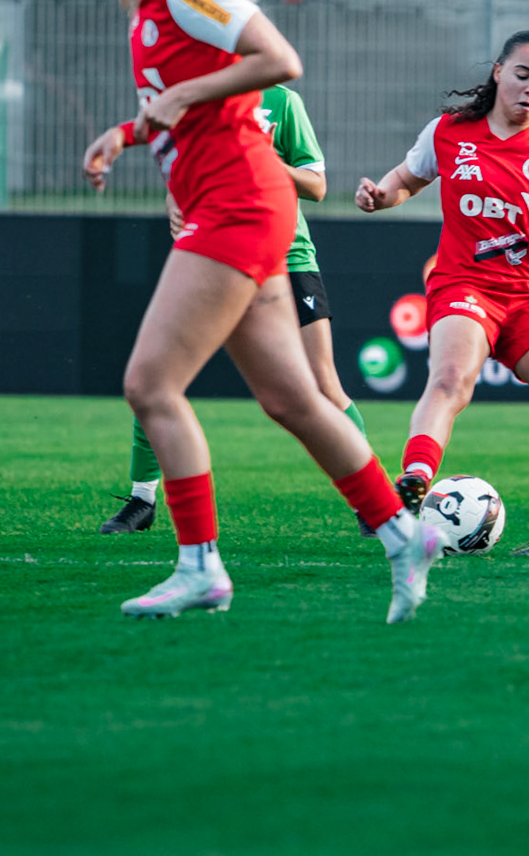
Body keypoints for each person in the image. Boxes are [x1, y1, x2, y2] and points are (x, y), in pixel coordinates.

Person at [78, 0, 441, 622]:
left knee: (150, 386)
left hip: (238, 204)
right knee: (293, 399)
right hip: (242, 203)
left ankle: (200, 568)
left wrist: (181, 93)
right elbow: (184, 112)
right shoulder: (151, 5)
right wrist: (123, 134)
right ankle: (403, 534)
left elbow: (279, 60)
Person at [355, 31, 529, 553]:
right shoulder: (450, 132)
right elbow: (407, 180)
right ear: (498, 72)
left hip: (528, 298)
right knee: (452, 378)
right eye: (523, 75)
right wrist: (380, 196)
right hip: (462, 285)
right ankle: (413, 482)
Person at [99, 83, 370, 535]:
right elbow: (182, 167)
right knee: (159, 378)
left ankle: (373, 505)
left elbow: (317, 184)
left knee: (322, 385)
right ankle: (141, 501)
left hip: (288, 256)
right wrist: (174, 200)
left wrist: (261, 162)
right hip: (217, 257)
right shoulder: (195, 93)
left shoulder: (282, 101)